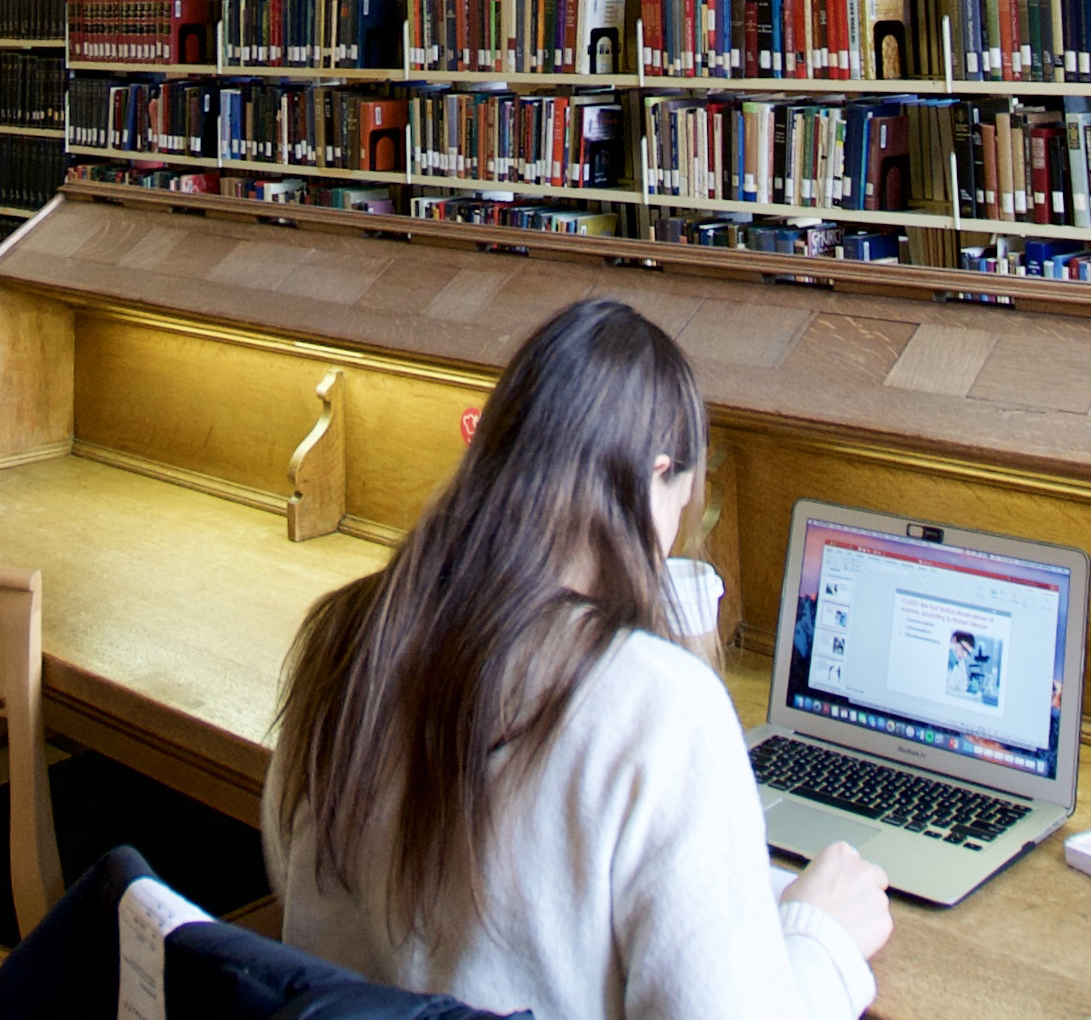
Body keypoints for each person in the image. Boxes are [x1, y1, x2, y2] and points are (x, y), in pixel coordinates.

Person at [268, 298, 891, 1020]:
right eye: (678, 504)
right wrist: (823, 939)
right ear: (655, 474)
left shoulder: (344, 635)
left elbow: (302, 904)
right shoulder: (656, 703)